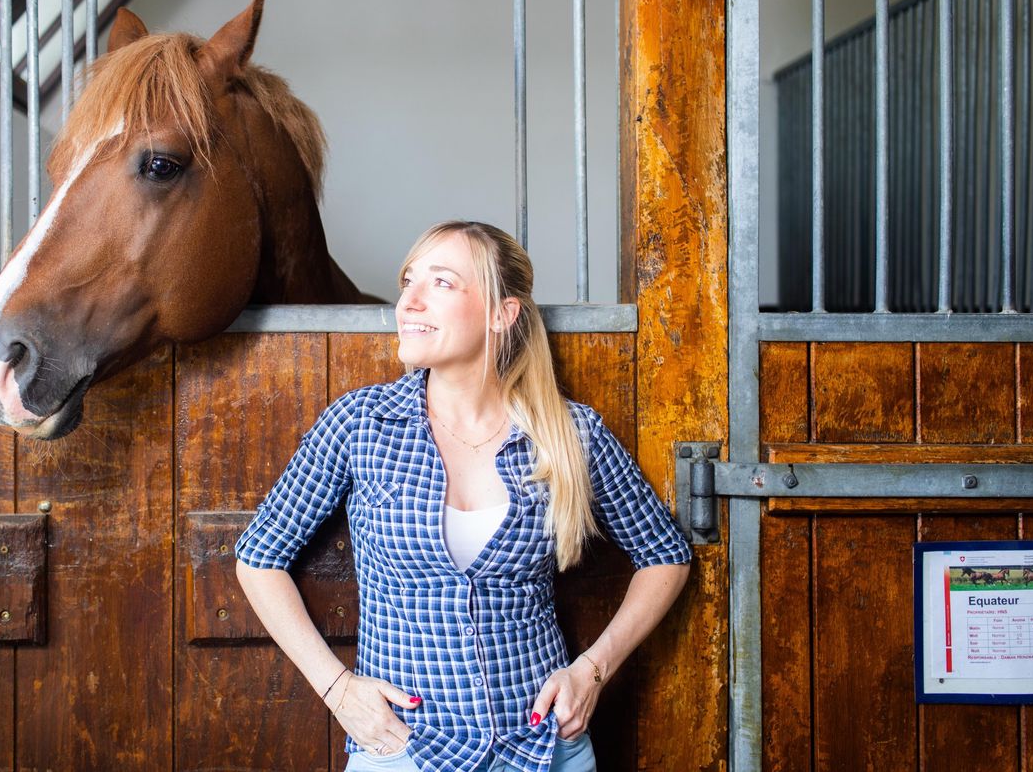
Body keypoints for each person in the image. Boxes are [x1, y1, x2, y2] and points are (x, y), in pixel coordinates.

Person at [235, 221, 691, 772]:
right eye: (408, 281)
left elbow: (666, 555)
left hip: (544, 748)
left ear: (503, 314)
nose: (409, 301)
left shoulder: (570, 434)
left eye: (442, 282)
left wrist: (591, 670)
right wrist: (337, 689)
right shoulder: (360, 424)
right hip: (402, 749)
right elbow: (258, 558)